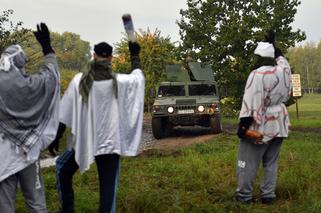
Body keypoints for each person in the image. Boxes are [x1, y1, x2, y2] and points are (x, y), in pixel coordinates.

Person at [50, 40, 144, 213]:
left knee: (63, 169)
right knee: (107, 191)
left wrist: (57, 135)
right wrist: (135, 56)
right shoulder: (120, 82)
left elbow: (65, 109)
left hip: (85, 140)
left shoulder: (80, 80)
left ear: (94, 55)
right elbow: (138, 79)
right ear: (111, 58)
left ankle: (67, 208)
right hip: (110, 144)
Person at [0, 23, 60, 212]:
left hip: (2, 155)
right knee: (35, 202)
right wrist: (47, 48)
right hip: (29, 152)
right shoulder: (31, 85)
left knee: (4, 206)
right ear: (20, 62)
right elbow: (51, 78)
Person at [235, 31, 292, 204]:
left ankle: (244, 196)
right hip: (279, 123)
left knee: (246, 163)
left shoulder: (257, 75)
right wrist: (275, 46)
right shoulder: (284, 70)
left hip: (260, 125)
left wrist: (243, 127)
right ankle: (268, 195)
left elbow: (251, 103)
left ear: (258, 58)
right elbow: (282, 59)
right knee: (271, 162)